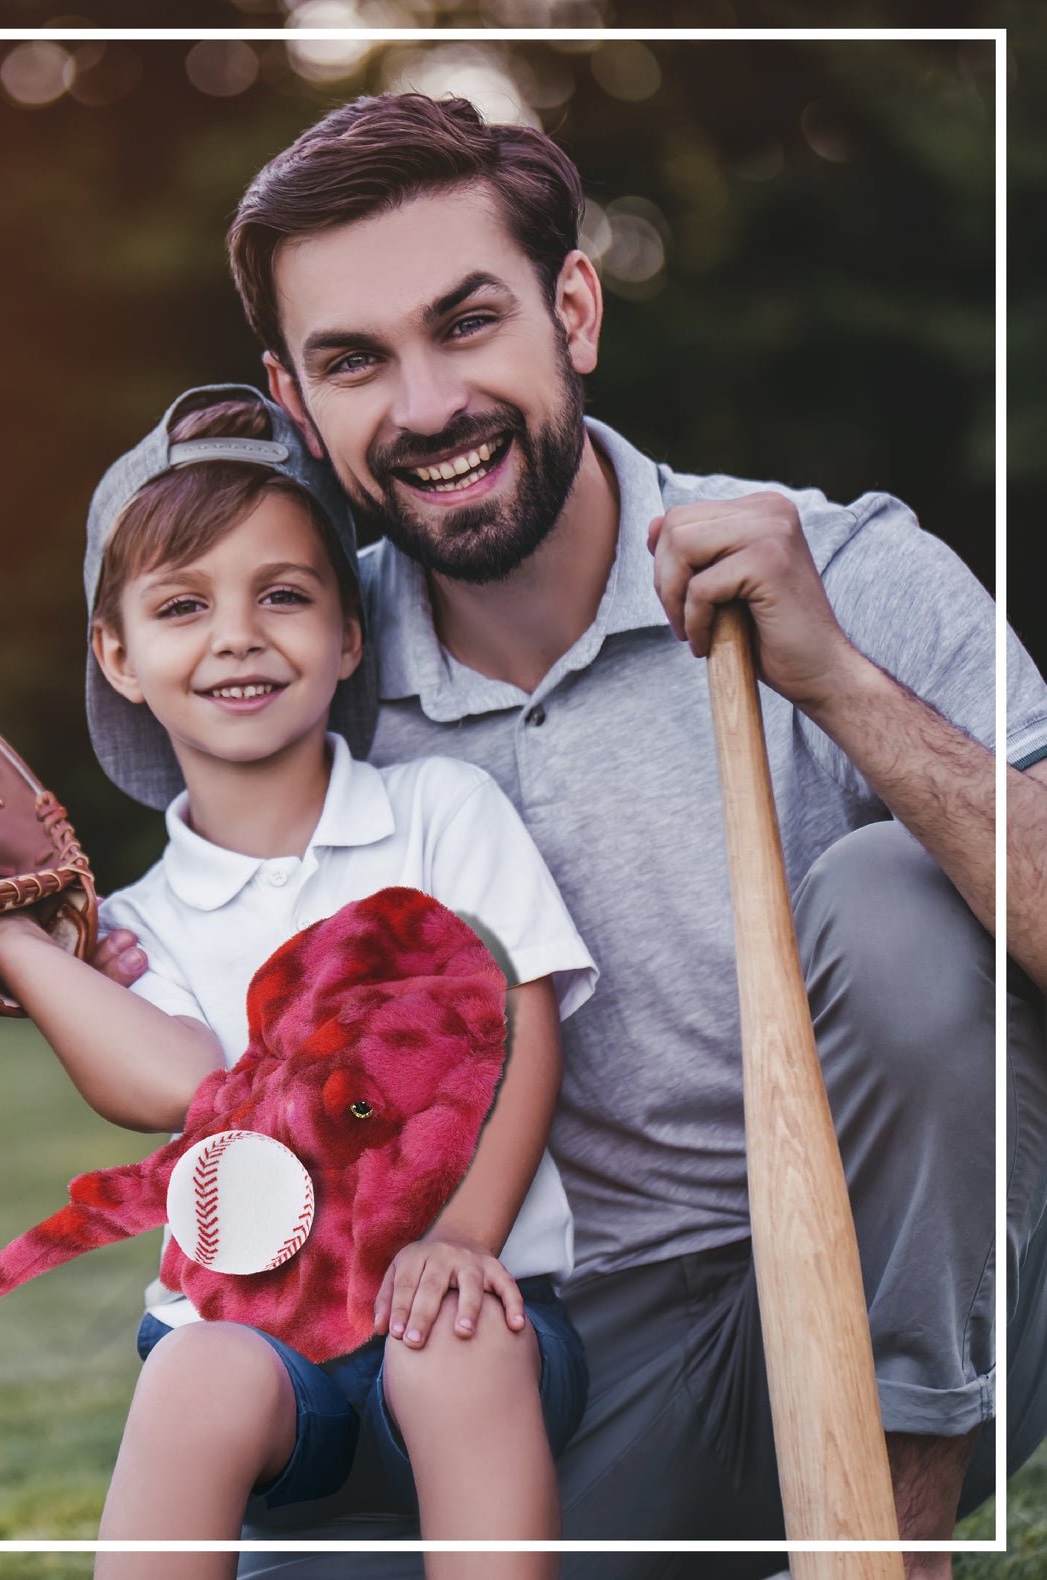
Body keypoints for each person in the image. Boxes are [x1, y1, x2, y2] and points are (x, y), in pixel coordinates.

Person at [91, 94, 1047, 1578]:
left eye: (466, 323)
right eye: (354, 361)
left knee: (893, 903)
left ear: (575, 307)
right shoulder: (298, 664)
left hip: (918, 1293)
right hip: (558, 1350)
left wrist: (841, 684)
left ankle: (878, 1556)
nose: (422, 407)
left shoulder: (842, 566)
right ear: (294, 396)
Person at [0, 384, 599, 1580]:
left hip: (476, 1318)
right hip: (271, 1365)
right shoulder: (136, 927)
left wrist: (463, 1234)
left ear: (349, 631)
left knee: (452, 1334)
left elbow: (520, 1033)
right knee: (195, 1368)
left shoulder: (438, 815)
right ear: (117, 653)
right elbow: (182, 1084)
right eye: (178, 605)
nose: (236, 635)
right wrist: (14, 940)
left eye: (282, 594)